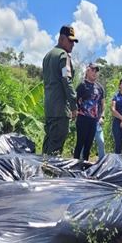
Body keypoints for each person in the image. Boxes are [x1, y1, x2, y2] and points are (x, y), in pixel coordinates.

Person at [42, 25, 78, 156]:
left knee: (48, 142)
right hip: (59, 109)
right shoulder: (63, 56)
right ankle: (50, 173)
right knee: (56, 147)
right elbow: (67, 82)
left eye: (74, 42)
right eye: (70, 41)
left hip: (49, 108)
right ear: (61, 39)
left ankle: (42, 171)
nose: (72, 45)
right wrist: (74, 106)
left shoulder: (47, 56)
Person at [73, 63, 105, 161]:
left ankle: (85, 166)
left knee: (89, 144)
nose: (94, 73)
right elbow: (74, 100)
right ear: (87, 71)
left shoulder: (99, 87)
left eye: (96, 71)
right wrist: (74, 112)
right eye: (92, 70)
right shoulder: (82, 85)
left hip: (93, 119)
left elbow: (103, 103)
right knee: (80, 143)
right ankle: (75, 164)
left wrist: (102, 116)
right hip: (82, 117)